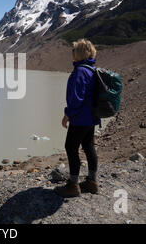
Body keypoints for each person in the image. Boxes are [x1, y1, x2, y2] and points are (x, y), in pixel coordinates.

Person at [54, 39, 100, 198]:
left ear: (79, 53)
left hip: (80, 118)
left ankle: (73, 185)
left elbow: (76, 99)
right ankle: (92, 182)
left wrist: (67, 115)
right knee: (88, 147)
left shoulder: (80, 71)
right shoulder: (91, 70)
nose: (71, 53)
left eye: (73, 50)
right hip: (91, 118)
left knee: (71, 147)